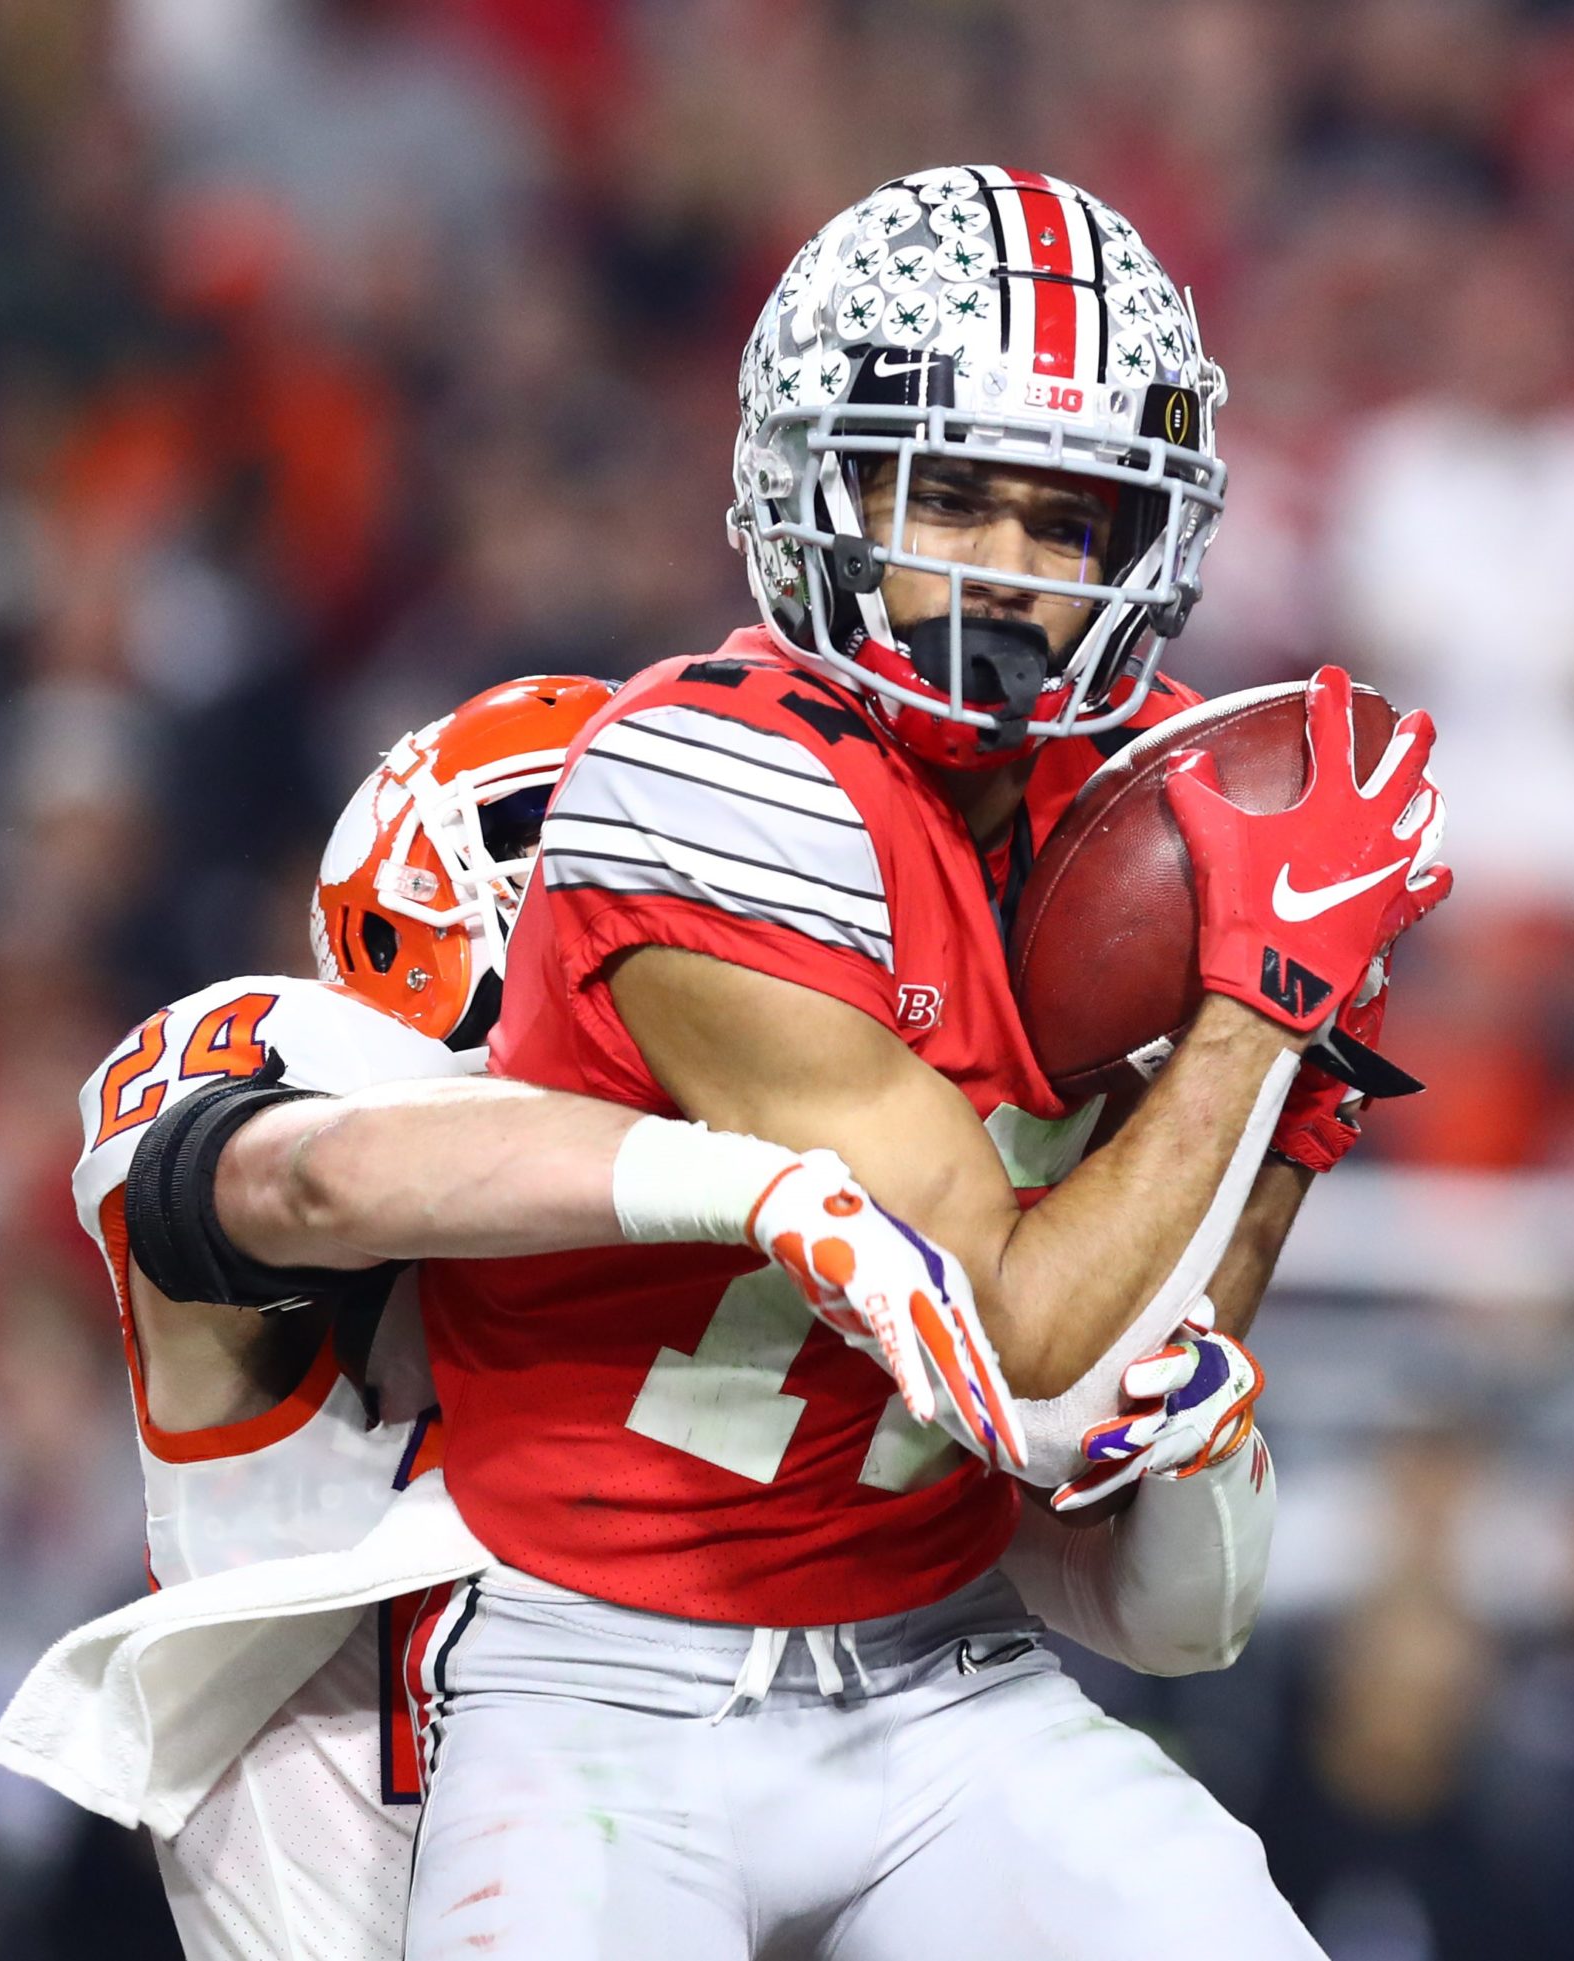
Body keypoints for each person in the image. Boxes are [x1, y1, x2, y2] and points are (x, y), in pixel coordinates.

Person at [409, 165, 1450, 1957]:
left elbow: (1134, 1347)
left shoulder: (1132, 823)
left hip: (940, 1672)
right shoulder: (704, 783)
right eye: (950, 495)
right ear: (813, 482)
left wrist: (1288, 1102)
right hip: (600, 1674)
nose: (1009, 572)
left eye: (1071, 522)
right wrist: (1259, 1007)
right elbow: (1015, 1334)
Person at [0, 671, 1282, 1961]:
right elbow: (314, 1177)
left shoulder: (783, 1229)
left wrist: (1185, 1454)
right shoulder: (332, 1100)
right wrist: (752, 1182)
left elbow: (1130, 1608)